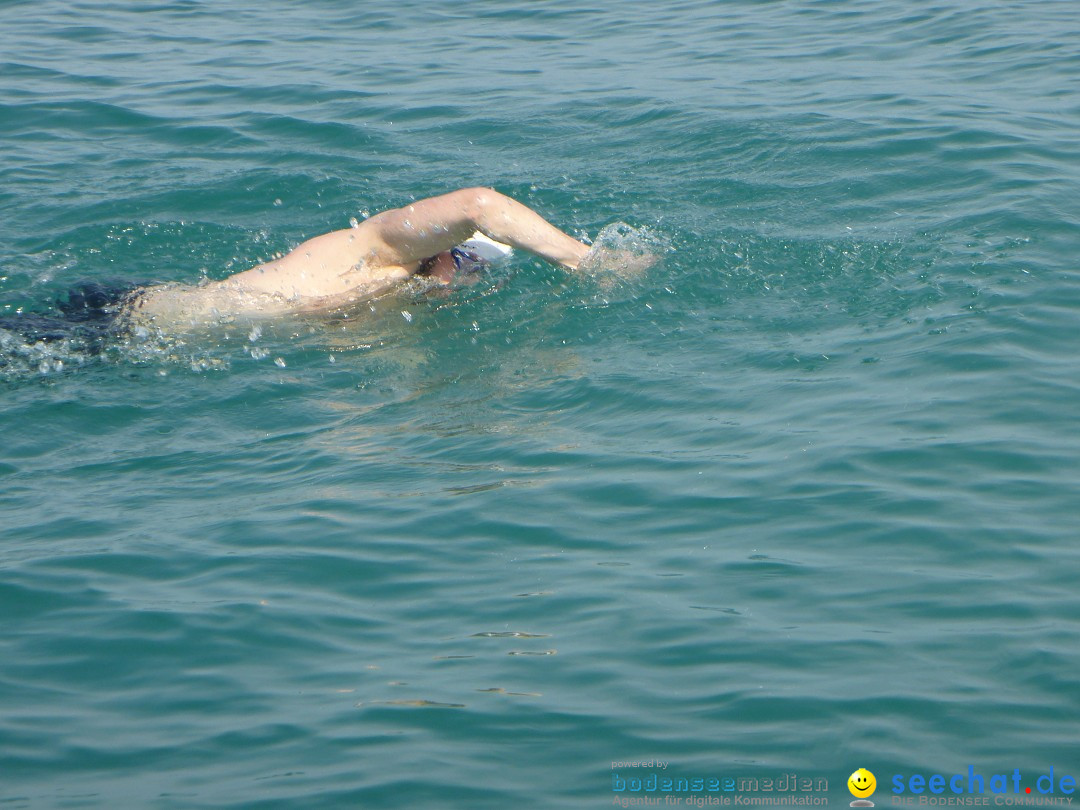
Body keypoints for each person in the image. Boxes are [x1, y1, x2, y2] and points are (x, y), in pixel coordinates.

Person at [127, 187, 592, 326]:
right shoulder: (379, 249)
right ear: (444, 251)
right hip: (125, 318)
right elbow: (479, 205)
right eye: (470, 265)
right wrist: (584, 261)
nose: (466, 279)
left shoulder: (386, 292)